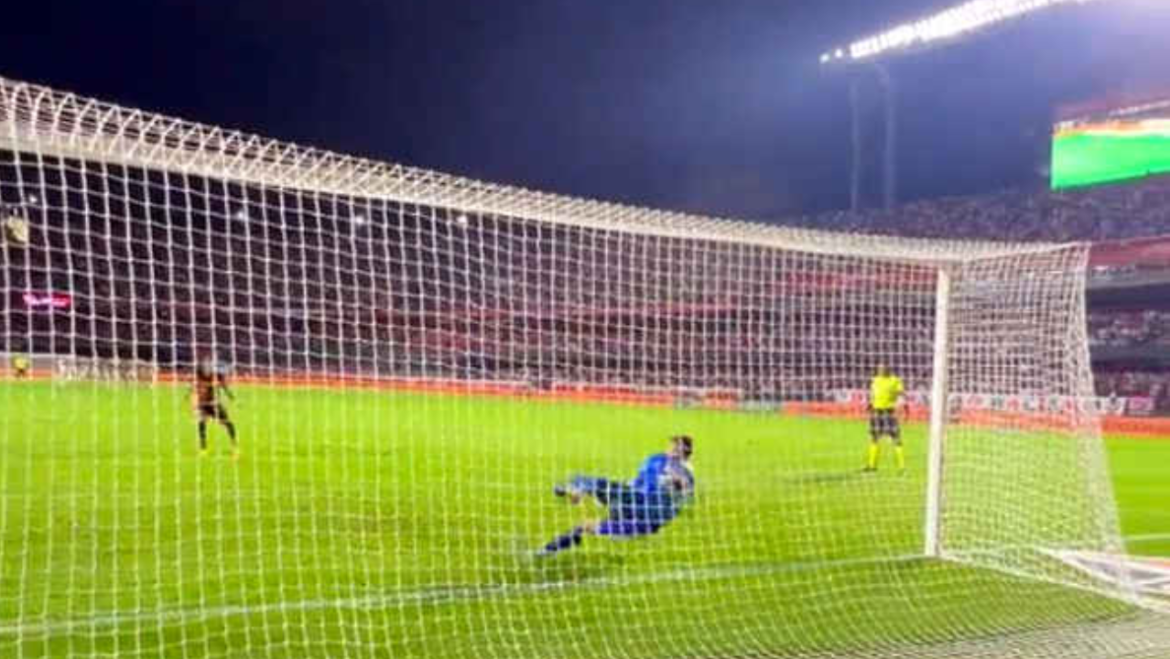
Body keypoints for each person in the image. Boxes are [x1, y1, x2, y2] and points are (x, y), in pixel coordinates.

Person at [538, 435, 695, 557]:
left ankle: (578, 492)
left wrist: (678, 484)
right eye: (671, 447)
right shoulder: (657, 461)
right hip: (634, 504)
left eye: (675, 448)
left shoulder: (683, 472)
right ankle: (549, 548)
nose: (670, 450)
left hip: (641, 522)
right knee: (598, 488)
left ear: (682, 453)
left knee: (586, 525)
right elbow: (638, 482)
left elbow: (682, 493)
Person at [191, 358, 238, 458]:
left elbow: (225, 387)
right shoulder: (198, 378)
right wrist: (194, 406)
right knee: (201, 424)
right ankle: (203, 449)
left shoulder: (216, 376)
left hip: (214, 404)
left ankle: (234, 446)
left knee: (228, 423)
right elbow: (194, 391)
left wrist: (232, 398)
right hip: (203, 405)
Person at [865, 364, 904, 473]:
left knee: (896, 438)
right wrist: (870, 403)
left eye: (882, 369)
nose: (880, 370)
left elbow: (901, 393)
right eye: (879, 369)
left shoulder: (895, 380)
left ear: (888, 369)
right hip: (876, 412)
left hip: (889, 412)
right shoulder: (875, 380)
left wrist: (898, 400)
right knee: (874, 438)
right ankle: (872, 466)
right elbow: (873, 394)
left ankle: (902, 467)